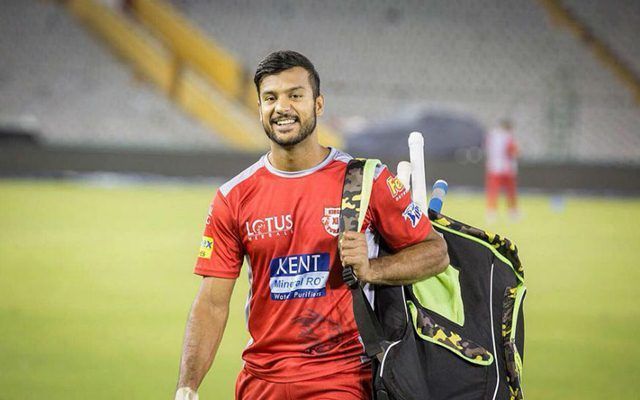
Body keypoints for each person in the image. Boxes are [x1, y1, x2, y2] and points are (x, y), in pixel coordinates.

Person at [175, 50, 449, 400]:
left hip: (341, 379)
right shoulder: (233, 196)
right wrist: (188, 386)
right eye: (270, 98)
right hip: (260, 384)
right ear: (259, 108)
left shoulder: (366, 179)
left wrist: (373, 268)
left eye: (295, 95)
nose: (282, 107)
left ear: (318, 105)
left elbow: (435, 251)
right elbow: (212, 303)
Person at [485, 119, 520, 222]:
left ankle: (491, 213)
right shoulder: (508, 137)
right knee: (510, 191)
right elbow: (512, 151)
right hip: (507, 168)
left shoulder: (492, 135)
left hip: (494, 167)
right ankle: (512, 212)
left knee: (493, 191)